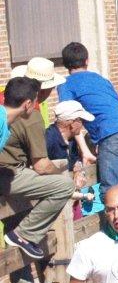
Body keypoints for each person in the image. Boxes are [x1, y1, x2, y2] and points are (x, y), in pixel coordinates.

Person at [0, 76, 75, 270]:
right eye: (36, 102)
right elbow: (42, 166)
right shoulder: (2, 121)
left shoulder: (5, 121)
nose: (37, 106)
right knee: (65, 185)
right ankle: (24, 234)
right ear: (27, 104)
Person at [59, 41, 118, 188]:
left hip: (111, 134)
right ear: (87, 61)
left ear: (65, 64)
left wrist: (85, 151)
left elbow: (69, 119)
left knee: (110, 190)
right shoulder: (100, 79)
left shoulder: (66, 84)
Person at [45, 99, 94, 192]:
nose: (83, 125)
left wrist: (78, 171)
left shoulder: (72, 139)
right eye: (81, 121)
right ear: (72, 123)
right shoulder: (49, 139)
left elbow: (75, 161)